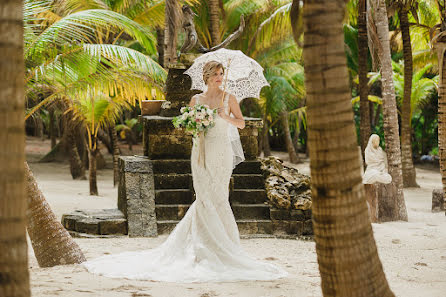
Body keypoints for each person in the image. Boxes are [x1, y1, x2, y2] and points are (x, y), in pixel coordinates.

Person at [83, 61, 288, 283]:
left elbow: (240, 124)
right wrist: (196, 125)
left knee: (218, 197)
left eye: (221, 74)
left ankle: (224, 246)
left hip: (221, 153)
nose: (219, 77)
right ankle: (200, 246)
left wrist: (225, 116)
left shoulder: (229, 98)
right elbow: (187, 126)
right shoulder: (196, 100)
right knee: (203, 197)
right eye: (216, 74)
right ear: (207, 77)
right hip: (200, 152)